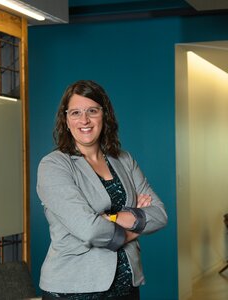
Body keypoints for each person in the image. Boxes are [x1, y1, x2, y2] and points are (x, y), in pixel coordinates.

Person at [37, 80, 168, 299]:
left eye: (92, 111)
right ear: (66, 120)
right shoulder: (54, 165)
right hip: (74, 289)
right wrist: (134, 221)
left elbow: (160, 214)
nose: (84, 120)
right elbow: (89, 229)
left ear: (104, 115)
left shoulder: (123, 160)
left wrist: (108, 217)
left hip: (127, 286)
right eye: (76, 112)